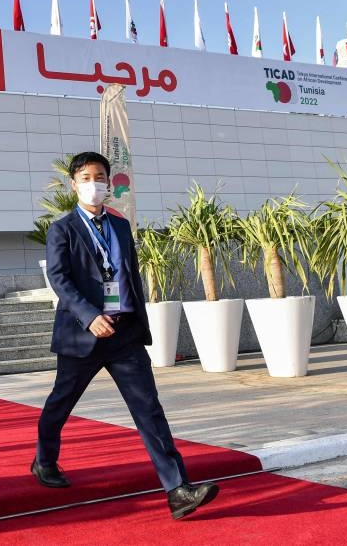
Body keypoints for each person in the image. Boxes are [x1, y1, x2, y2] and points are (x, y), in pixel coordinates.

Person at [32, 152, 219, 521]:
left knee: (149, 408)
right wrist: (89, 316)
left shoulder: (119, 226)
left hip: (124, 334)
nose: (94, 183)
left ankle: (178, 489)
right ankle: (44, 459)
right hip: (83, 335)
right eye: (86, 177)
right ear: (74, 184)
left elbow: (126, 274)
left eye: (100, 176)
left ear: (108, 182)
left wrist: (134, 316)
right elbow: (60, 280)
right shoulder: (63, 229)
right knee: (60, 402)